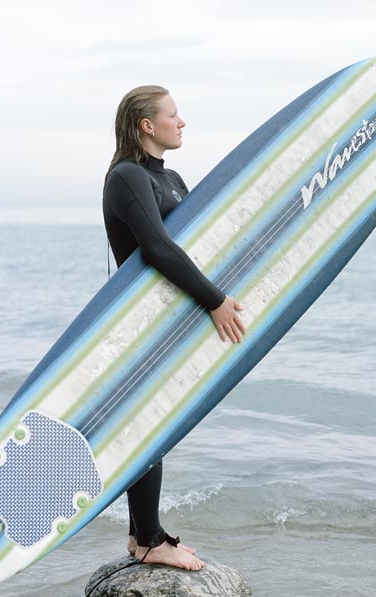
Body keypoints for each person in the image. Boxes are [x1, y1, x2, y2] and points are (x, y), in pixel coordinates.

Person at [102, 85, 246, 571]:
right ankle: (148, 540)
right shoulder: (126, 178)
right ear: (148, 125)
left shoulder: (172, 179)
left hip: (173, 320)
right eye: (173, 115)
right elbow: (158, 250)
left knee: (156, 424)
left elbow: (193, 244)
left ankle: (143, 533)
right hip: (142, 325)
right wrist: (216, 301)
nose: (181, 122)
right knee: (149, 426)